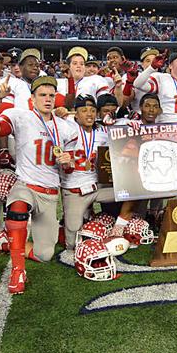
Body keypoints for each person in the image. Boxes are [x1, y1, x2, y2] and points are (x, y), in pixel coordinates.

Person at [0, 76, 79, 294]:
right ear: (33, 98)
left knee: (45, 255)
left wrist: (69, 162)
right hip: (25, 185)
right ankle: (18, 270)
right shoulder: (21, 117)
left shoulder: (66, 128)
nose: (47, 99)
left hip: (50, 193)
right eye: (42, 95)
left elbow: (70, 168)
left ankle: (5, 243)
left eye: (51, 95)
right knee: (17, 205)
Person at [59, 94, 118, 251]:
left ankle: (123, 227)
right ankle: (73, 223)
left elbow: (123, 130)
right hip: (75, 190)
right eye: (84, 110)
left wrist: (132, 126)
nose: (89, 114)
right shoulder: (67, 129)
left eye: (92, 110)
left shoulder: (102, 133)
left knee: (129, 193)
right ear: (75, 114)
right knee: (72, 244)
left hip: (97, 187)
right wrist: (58, 113)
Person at [131, 50, 177, 123]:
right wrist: (152, 67)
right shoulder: (161, 78)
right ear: (170, 65)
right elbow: (137, 84)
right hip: (165, 125)